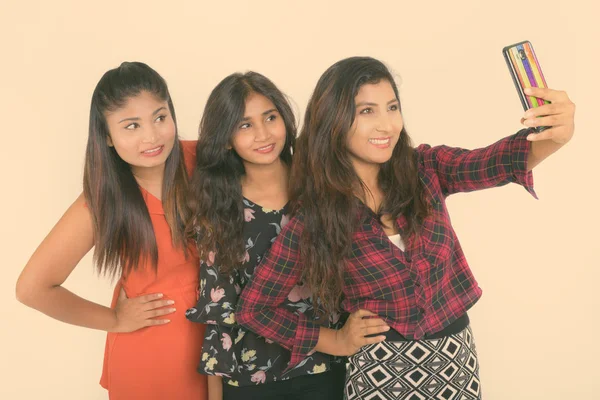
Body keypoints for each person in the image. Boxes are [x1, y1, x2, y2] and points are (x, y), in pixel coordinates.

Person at [236, 56, 575, 400]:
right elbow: (254, 309)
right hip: (379, 373)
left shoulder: (426, 168)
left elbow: (494, 162)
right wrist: (334, 340)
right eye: (367, 111)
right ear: (333, 120)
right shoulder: (316, 217)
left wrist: (555, 136)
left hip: (454, 365)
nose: (387, 125)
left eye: (392, 107)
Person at [16, 62, 208, 400]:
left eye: (160, 117)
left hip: (222, 344)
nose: (151, 136)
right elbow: (32, 288)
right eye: (131, 126)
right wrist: (115, 320)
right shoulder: (102, 201)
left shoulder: (205, 159)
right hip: (153, 355)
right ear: (106, 135)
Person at [185, 71, 346, 400]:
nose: (262, 134)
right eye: (245, 125)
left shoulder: (322, 187)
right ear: (226, 138)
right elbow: (219, 315)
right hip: (251, 383)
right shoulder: (219, 211)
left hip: (328, 369)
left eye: (270, 117)